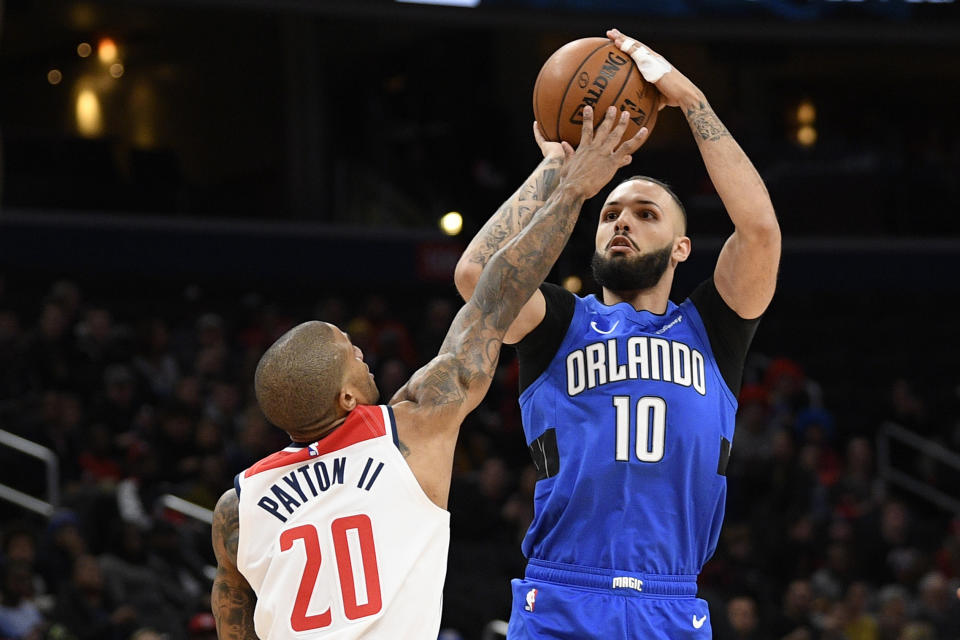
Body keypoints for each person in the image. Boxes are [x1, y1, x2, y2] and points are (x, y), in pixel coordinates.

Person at [210, 105, 649, 639]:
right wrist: (571, 188)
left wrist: (557, 169)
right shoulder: (412, 430)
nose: (362, 352)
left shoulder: (237, 508)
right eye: (351, 351)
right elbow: (493, 298)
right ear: (347, 399)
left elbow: (234, 630)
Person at [454, 30, 781, 639]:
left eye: (645, 214)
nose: (622, 221)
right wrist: (558, 171)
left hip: (670, 600)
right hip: (560, 595)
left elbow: (759, 230)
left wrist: (692, 102)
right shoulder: (559, 324)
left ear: (683, 248)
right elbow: (476, 274)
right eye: (611, 214)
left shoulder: (712, 331)